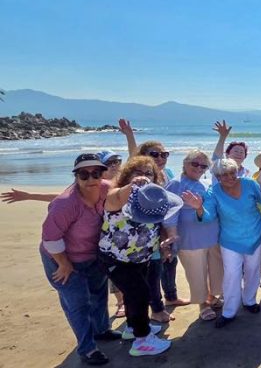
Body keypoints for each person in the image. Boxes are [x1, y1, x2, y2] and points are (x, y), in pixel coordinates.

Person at [39, 154, 120, 366]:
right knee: (78, 304)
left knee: (99, 294)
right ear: (76, 176)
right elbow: (50, 237)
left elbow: (126, 193)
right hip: (61, 257)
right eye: (84, 174)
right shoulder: (65, 204)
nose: (91, 179)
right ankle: (87, 349)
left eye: (96, 173)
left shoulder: (108, 188)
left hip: (92, 255)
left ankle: (102, 330)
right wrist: (64, 263)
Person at [100, 180, 181, 357]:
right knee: (140, 294)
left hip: (140, 259)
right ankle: (142, 341)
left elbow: (156, 229)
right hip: (116, 259)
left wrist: (164, 245)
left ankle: (133, 327)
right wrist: (133, 186)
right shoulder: (119, 202)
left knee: (134, 295)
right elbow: (114, 196)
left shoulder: (153, 203)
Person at [182, 159, 261, 328]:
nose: (229, 177)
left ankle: (249, 301)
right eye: (224, 175)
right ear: (217, 177)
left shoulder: (249, 183)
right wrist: (198, 208)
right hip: (230, 240)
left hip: (256, 234)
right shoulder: (213, 192)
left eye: (232, 173)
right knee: (231, 276)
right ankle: (229, 312)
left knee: (253, 270)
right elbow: (208, 216)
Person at [118, 119, 185, 308]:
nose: (161, 158)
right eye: (155, 154)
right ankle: (156, 307)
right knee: (154, 267)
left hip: (167, 224)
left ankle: (171, 297)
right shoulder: (142, 175)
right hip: (148, 227)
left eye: (164, 154)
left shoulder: (168, 173)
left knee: (171, 261)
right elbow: (133, 159)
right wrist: (130, 136)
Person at [164, 150, 223, 321]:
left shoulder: (205, 183)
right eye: (194, 164)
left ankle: (212, 297)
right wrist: (171, 236)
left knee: (215, 270)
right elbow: (170, 213)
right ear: (185, 164)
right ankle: (203, 304)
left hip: (212, 236)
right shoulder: (176, 184)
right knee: (196, 273)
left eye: (203, 166)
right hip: (190, 238)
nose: (199, 168)